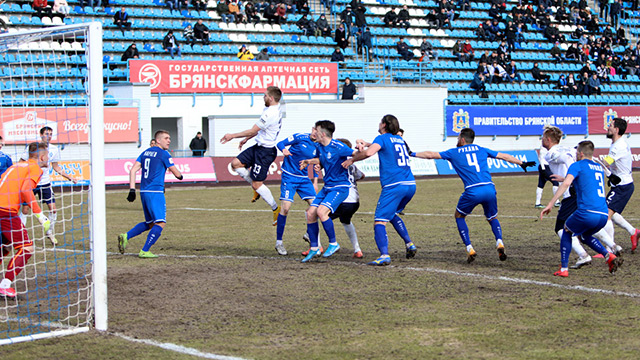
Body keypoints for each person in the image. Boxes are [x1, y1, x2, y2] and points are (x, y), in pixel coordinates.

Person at [412, 128, 536, 263]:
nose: (457, 140)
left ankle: (469, 248)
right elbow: (504, 156)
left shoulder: (453, 152)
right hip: (489, 188)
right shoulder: (482, 149)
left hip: (472, 191)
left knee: (459, 216)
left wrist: (412, 153)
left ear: (463, 139)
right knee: (492, 217)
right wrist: (522, 163)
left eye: (458, 138)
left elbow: (431, 155)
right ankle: (499, 242)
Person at [541, 126, 621, 269]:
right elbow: (593, 159)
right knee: (587, 227)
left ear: (548, 140)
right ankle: (612, 247)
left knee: (562, 228)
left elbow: (568, 160)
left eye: (542, 137)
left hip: (571, 192)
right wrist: (609, 173)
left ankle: (582, 256)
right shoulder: (570, 149)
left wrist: (573, 173)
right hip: (584, 195)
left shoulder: (550, 154)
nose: (541, 140)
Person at [342, 115, 417, 266]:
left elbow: (369, 153)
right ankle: (409, 244)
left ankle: (384, 255)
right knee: (392, 214)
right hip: (410, 184)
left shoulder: (381, 138)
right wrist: (368, 143)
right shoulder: (399, 139)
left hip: (394, 186)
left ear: (384, 125)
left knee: (379, 221)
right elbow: (384, 146)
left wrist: (352, 159)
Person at [220, 86, 283, 226]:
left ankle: (275, 208)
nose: (263, 97)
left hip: (265, 152)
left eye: (265, 95)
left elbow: (253, 129)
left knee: (257, 184)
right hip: (258, 147)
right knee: (235, 164)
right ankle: (257, 189)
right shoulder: (273, 109)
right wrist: (247, 139)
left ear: (271, 98)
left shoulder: (270, 113)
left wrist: (232, 136)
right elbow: (260, 130)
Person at [118, 131, 183, 258]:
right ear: (158, 140)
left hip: (144, 192)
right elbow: (177, 174)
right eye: (166, 138)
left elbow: (133, 170)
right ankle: (145, 250)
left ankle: (126, 236)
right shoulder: (164, 154)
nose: (169, 140)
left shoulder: (145, 152)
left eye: (169, 138)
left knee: (151, 223)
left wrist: (132, 189)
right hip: (155, 192)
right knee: (160, 222)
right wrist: (180, 175)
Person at [299, 121, 355, 263]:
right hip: (328, 187)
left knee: (321, 212)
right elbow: (322, 159)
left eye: (316, 130)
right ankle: (314, 248)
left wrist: (352, 160)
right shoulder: (319, 146)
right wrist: (309, 162)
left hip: (340, 187)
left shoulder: (339, 146)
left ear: (322, 133)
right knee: (310, 213)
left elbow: (358, 153)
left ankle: (333, 244)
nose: (313, 132)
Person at [0, 142, 51, 298]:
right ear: (41, 156)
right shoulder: (34, 168)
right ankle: (5, 286)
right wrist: (40, 215)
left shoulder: (16, 166)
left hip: (2, 209)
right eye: (48, 155)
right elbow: (25, 190)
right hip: (5, 211)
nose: (48, 158)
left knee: (6, 246)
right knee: (27, 248)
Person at [19, 126, 77, 246]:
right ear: (41, 135)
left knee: (53, 209)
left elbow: (56, 167)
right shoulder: (33, 147)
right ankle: (20, 235)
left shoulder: (54, 149)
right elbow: (22, 162)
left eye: (50, 134)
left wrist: (69, 177)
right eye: (46, 133)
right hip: (31, 182)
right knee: (25, 209)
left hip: (45, 183)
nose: (49, 136)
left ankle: (49, 231)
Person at [274, 131, 318, 256]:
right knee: (286, 208)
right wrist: (283, 150)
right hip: (289, 177)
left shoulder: (319, 145)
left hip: (304, 179)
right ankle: (279, 242)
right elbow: (280, 143)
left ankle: (309, 233)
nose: (314, 133)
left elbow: (316, 163)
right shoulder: (300, 137)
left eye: (317, 131)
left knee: (317, 207)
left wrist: (315, 181)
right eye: (314, 129)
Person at [601, 118, 640, 252]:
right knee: (611, 211)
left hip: (622, 187)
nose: (608, 128)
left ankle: (609, 249)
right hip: (621, 185)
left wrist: (588, 161)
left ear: (616, 130)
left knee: (605, 215)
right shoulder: (617, 143)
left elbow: (606, 162)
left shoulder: (619, 146)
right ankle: (633, 231)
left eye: (610, 126)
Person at [535, 144, 558, 208]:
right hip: (545, 166)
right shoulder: (547, 147)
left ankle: (537, 203)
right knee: (555, 182)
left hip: (542, 166)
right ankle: (557, 201)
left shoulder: (543, 147)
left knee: (541, 184)